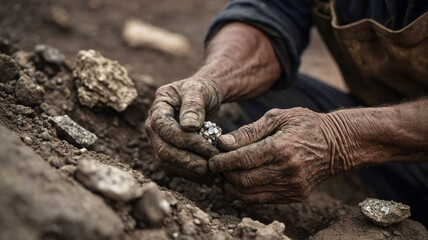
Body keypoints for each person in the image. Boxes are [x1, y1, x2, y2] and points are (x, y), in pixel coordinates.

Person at [145, 0, 428, 224]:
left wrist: (340, 137)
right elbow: (271, 11)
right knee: (253, 98)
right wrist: (213, 80)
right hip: (386, 123)